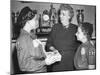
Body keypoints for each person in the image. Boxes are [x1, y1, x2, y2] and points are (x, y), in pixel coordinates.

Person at [16, 6, 56, 74]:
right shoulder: (23, 39)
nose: (37, 21)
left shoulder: (30, 35)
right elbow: (23, 65)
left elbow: (34, 56)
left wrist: (47, 55)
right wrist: (45, 62)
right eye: (35, 20)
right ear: (28, 21)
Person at [45, 4, 80, 71]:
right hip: (57, 63)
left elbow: (79, 47)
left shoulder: (75, 28)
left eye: (63, 14)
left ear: (69, 16)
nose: (60, 16)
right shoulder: (55, 27)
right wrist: (54, 50)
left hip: (71, 64)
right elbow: (49, 44)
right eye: (60, 14)